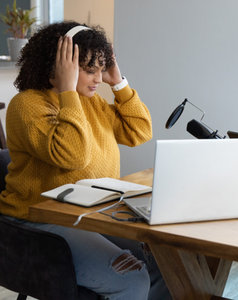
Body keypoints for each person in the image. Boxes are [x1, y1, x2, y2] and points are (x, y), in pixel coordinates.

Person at [0, 21, 170, 299]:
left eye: (102, 70)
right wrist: (67, 91)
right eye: (90, 70)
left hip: (89, 214)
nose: (98, 78)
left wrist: (119, 82)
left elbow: (139, 131)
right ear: (57, 67)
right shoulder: (27, 105)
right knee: (132, 280)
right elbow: (73, 155)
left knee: (167, 260)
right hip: (41, 220)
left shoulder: (89, 102)